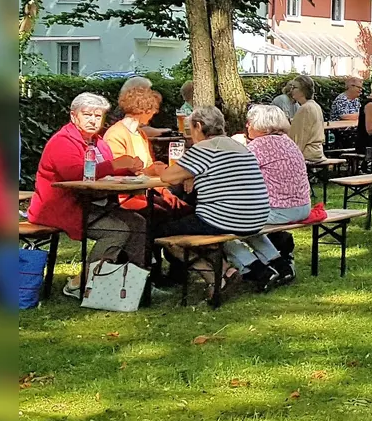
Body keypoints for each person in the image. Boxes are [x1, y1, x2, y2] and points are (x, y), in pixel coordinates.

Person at [28, 93, 148, 296]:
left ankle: (136, 283)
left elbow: (105, 169)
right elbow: (75, 174)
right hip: (60, 208)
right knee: (116, 230)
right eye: (87, 115)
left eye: (98, 116)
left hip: (90, 205)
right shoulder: (62, 142)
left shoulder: (98, 142)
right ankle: (83, 284)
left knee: (138, 223)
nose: (93, 120)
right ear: (74, 116)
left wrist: (129, 168)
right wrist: (115, 165)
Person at [157, 107, 284, 287]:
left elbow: (167, 177)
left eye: (190, 130)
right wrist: (192, 175)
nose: (189, 135)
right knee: (191, 226)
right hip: (257, 215)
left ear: (199, 126)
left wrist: (166, 170)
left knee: (163, 232)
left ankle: (220, 274)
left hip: (225, 218)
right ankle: (251, 270)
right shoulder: (239, 146)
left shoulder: (205, 148)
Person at [244, 105, 314, 233]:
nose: (247, 126)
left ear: (261, 125)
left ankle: (251, 253)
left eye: (250, 123)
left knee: (228, 219)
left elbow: (238, 176)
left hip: (278, 211)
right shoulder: (289, 142)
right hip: (304, 207)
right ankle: (272, 251)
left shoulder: (258, 146)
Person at [285, 76, 327, 161]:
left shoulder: (305, 108)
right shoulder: (315, 105)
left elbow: (300, 137)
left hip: (308, 153)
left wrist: (293, 158)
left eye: (295, 87)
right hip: (317, 151)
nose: (291, 90)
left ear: (303, 90)